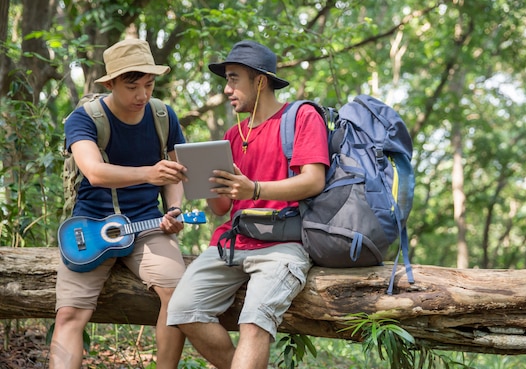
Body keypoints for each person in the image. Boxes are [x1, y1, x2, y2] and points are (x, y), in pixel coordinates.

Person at [167, 40, 329, 369]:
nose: (227, 89)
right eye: (226, 80)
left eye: (233, 78)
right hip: (231, 243)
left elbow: (314, 180)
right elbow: (221, 207)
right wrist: (198, 178)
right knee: (182, 309)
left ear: (259, 80)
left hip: (284, 243)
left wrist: (254, 188)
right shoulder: (231, 134)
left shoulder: (301, 117)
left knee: (253, 322)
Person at [50, 38, 188, 369]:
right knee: (69, 314)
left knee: (178, 295)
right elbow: (95, 172)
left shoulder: (162, 116)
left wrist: (173, 211)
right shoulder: (83, 119)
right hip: (91, 228)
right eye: (132, 86)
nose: (142, 95)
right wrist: (148, 173)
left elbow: (175, 174)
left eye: (149, 84)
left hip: (147, 227)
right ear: (110, 83)